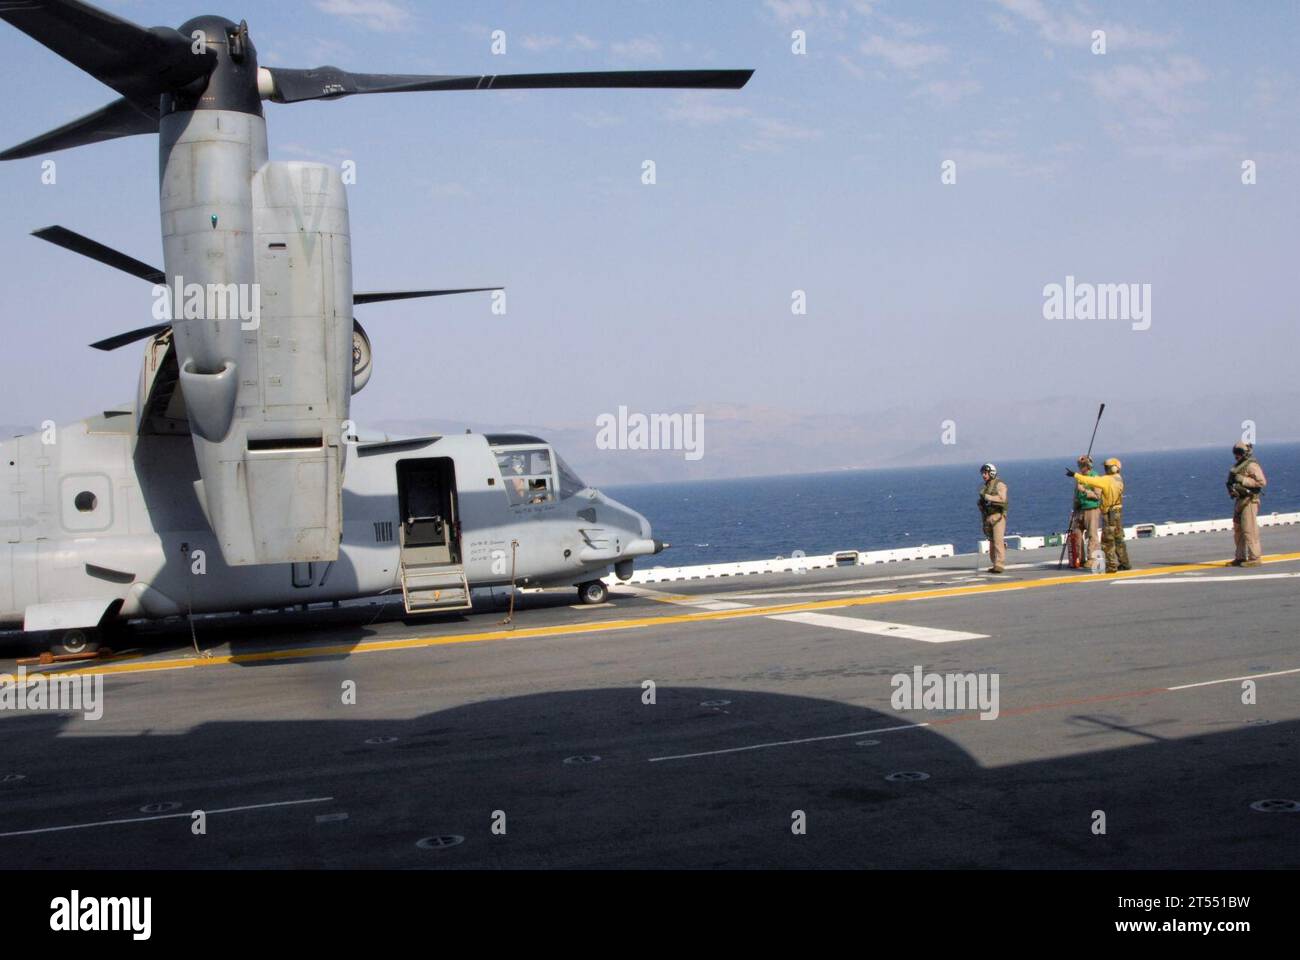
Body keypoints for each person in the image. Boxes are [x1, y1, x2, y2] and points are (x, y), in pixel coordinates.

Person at [1067, 457, 1130, 573]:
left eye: (1107, 467)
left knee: (1107, 540)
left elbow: (1092, 482)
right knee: (1118, 538)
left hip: (1108, 512)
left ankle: (1111, 566)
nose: (1105, 469)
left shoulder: (1106, 480)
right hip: (1117, 511)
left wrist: (1076, 475)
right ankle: (1124, 562)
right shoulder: (1118, 479)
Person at [1227, 442, 1267, 566]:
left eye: (1238, 453)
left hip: (1250, 500)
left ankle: (1255, 557)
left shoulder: (1251, 466)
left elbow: (1261, 482)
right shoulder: (1238, 467)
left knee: (1249, 530)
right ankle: (1240, 556)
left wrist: (1243, 480)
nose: (1236, 456)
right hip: (1240, 500)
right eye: (1235, 453)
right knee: (1238, 529)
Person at [1072, 455, 1102, 569]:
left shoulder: (1095, 477)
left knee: (1092, 535)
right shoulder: (1079, 478)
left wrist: (1084, 490)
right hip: (1080, 510)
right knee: (1077, 535)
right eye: (1079, 465)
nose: (1080, 468)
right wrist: (1074, 509)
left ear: (1088, 466)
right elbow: (1076, 495)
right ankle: (1080, 558)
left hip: (1092, 509)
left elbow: (1097, 496)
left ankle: (1092, 559)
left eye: (1082, 465)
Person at [978, 463, 1008, 574]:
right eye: (983, 473)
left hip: (998, 516)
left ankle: (999, 565)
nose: (984, 475)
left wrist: (988, 497)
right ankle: (994, 563)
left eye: (985, 473)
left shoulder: (999, 485)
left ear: (991, 472)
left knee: (998, 541)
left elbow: (1002, 498)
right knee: (991, 542)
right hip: (988, 516)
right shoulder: (985, 487)